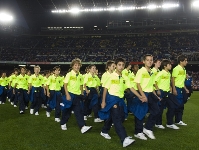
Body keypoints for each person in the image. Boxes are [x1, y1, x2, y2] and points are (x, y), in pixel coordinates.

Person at [99, 58, 146, 147]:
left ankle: (104, 131)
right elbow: (105, 89)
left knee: (116, 117)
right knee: (117, 118)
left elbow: (131, 87)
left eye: (122, 65)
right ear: (116, 66)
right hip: (112, 99)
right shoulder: (110, 76)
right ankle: (124, 139)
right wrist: (103, 101)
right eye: (119, 65)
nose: (121, 67)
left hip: (120, 100)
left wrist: (140, 96)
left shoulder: (124, 77)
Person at [132, 54, 161, 140]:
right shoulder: (141, 71)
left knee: (156, 111)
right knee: (140, 113)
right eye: (147, 60)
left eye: (151, 60)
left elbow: (151, 85)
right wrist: (142, 95)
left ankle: (147, 128)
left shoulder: (151, 72)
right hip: (143, 93)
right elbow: (138, 84)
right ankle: (138, 132)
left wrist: (155, 95)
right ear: (144, 61)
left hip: (150, 94)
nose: (149, 61)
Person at [60, 58, 92, 133]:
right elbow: (65, 85)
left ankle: (82, 127)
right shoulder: (69, 74)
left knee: (79, 111)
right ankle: (63, 123)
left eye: (78, 65)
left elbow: (81, 85)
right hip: (70, 95)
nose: (77, 67)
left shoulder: (80, 76)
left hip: (77, 96)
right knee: (67, 110)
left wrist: (82, 94)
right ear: (72, 66)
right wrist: (67, 95)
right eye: (75, 65)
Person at [172, 55, 189, 126]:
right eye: (185, 60)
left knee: (181, 105)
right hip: (177, 88)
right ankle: (175, 120)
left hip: (182, 88)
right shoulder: (176, 69)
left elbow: (182, 81)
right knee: (178, 104)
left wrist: (185, 89)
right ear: (181, 61)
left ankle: (179, 120)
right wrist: (174, 89)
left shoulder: (184, 69)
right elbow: (173, 79)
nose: (186, 62)